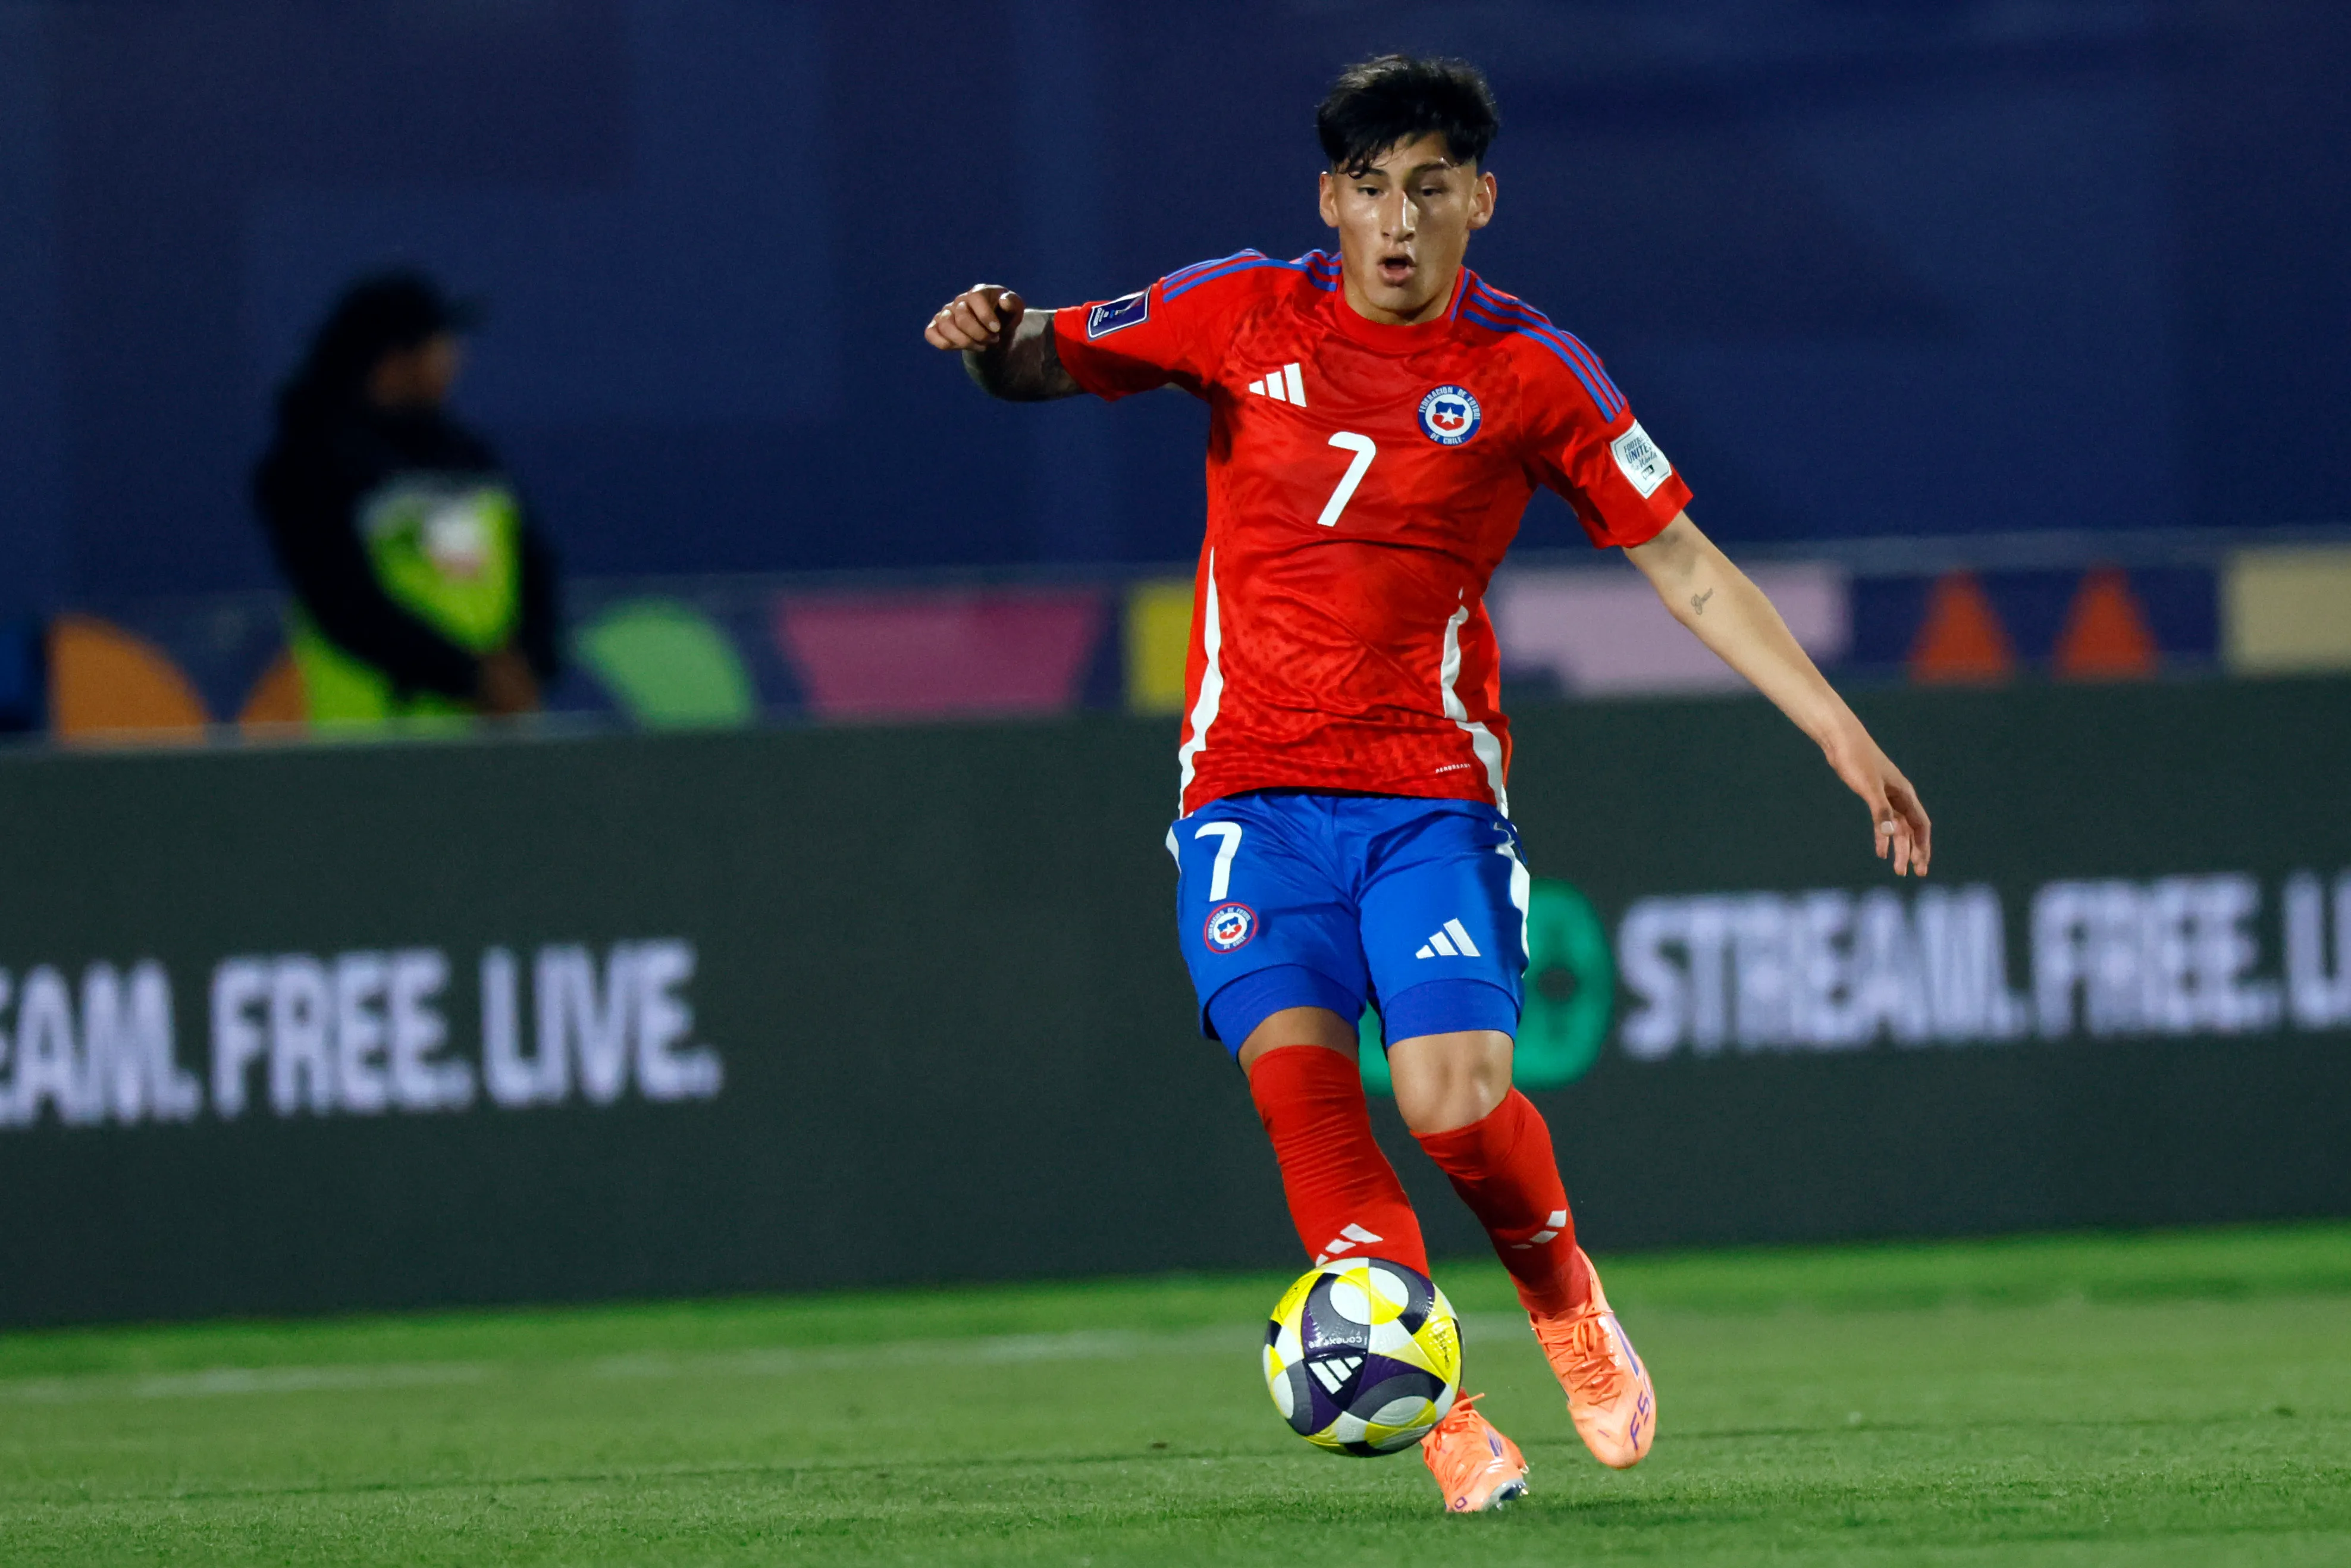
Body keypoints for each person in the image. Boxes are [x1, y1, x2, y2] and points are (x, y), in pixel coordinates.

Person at [924, 55, 1930, 1513]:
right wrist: (983, 338)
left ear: (1481, 200)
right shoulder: (1237, 312)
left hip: (1425, 799)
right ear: (1328, 200)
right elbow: (1036, 361)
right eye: (1373, 191)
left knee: (1452, 1105)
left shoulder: (1531, 371)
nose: (1399, 222)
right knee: (1307, 1094)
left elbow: (1685, 566)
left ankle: (1565, 1296)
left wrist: (1837, 732)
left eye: (1431, 190)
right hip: (1245, 799)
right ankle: (1445, 1413)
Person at [253, 271, 559, 726]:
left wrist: (526, 667)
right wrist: (468, 678)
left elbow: (535, 571)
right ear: (392, 361)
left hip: (491, 748)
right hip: (375, 756)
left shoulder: (468, 457)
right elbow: (346, 604)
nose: (456, 360)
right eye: (439, 346)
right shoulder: (311, 466)